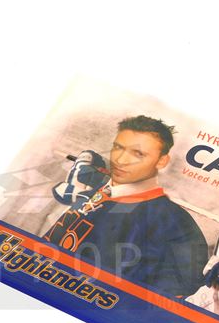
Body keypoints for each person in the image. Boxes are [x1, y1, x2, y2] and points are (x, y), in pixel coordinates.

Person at [43, 116, 209, 297]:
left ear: (161, 161)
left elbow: (177, 297)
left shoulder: (174, 222)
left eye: (138, 154)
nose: (121, 160)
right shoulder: (97, 191)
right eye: (118, 148)